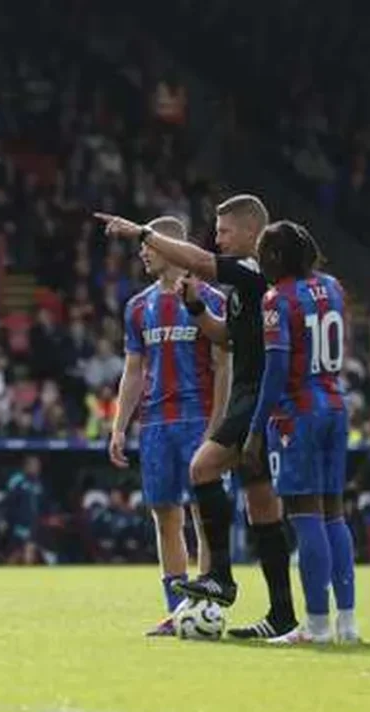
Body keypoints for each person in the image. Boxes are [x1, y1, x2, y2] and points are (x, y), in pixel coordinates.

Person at [96, 195, 298, 639]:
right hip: (166, 421)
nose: (218, 237)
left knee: (224, 485)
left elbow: (222, 351)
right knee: (245, 509)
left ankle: (220, 586)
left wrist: (140, 230)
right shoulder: (148, 305)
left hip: (232, 409)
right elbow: (221, 338)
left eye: (224, 230)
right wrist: (119, 424)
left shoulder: (241, 275)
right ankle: (268, 612)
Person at [109, 216, 230, 636]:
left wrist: (219, 427)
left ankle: (208, 606)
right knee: (165, 516)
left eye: (149, 245)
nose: (142, 251)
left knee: (203, 514)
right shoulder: (138, 306)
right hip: (156, 424)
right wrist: (119, 425)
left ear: (171, 247)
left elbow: (221, 365)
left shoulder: (208, 297)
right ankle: (178, 610)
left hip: (199, 419)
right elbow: (134, 369)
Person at [242, 220, 358, 644]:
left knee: (305, 516)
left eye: (261, 256)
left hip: (298, 414)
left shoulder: (277, 299)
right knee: (335, 515)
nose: (259, 264)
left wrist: (255, 432)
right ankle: (347, 623)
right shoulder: (333, 288)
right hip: (335, 404)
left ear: (275, 256)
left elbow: (275, 372)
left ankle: (315, 625)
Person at [4, 455, 44, 564]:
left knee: (29, 550)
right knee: (17, 552)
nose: (37, 468)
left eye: (38, 466)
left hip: (33, 523)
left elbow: (40, 502)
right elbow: (10, 501)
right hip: (19, 522)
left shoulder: (37, 483)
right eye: (34, 466)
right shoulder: (17, 480)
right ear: (26, 466)